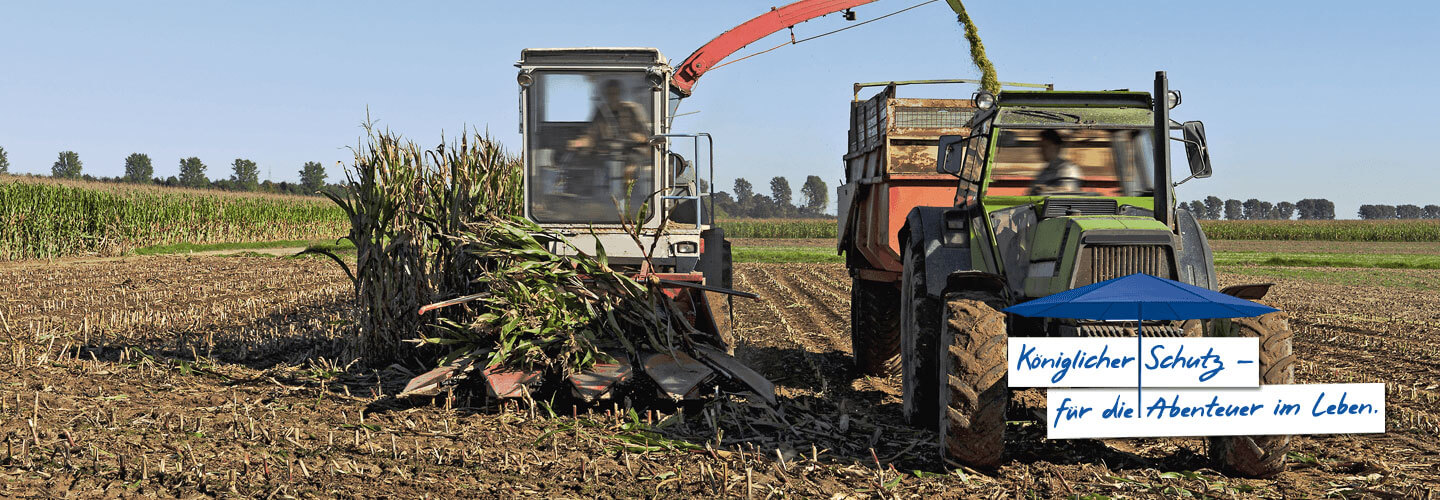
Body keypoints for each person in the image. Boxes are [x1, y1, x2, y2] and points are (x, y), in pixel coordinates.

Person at [567, 79, 652, 205]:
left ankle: (631, 202)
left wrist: (634, 137)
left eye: (615, 93)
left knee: (628, 171)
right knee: (589, 169)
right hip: (606, 155)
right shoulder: (601, 112)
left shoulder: (633, 110)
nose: (612, 97)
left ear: (620, 94)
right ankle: (597, 204)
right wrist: (578, 142)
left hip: (633, 154)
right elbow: (591, 136)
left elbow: (647, 137)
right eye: (609, 94)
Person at [1028, 129, 1083, 195]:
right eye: (1040, 147)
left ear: (1055, 146)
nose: (1040, 151)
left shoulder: (1068, 170)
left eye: (1044, 146)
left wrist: (1042, 190)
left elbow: (1066, 194)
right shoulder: (1044, 171)